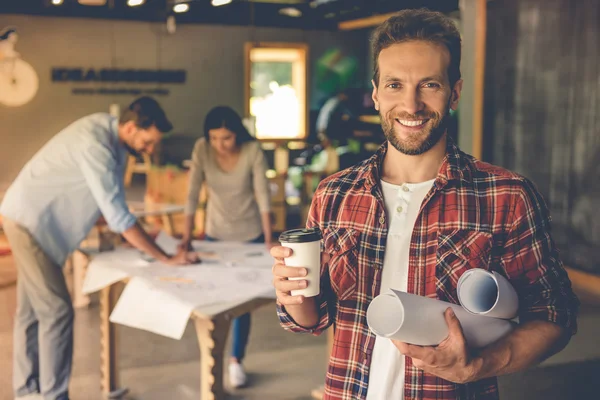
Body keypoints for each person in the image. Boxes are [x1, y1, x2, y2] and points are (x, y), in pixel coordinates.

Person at [270, 8, 579, 400]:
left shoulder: (506, 196)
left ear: (455, 91)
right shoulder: (334, 194)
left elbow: (555, 317)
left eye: (429, 85)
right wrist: (293, 295)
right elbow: (312, 321)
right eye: (395, 85)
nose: (411, 105)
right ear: (377, 94)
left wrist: (480, 365)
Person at [0, 96, 197, 400]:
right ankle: (53, 396)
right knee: (56, 311)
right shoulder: (96, 144)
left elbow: (107, 206)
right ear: (131, 128)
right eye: (147, 141)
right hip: (30, 225)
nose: (150, 149)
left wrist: (133, 238)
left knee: (31, 312)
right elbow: (118, 215)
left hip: (34, 223)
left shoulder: (113, 141)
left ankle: (26, 392)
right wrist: (165, 258)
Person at [180, 105, 272, 388]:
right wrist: (186, 238)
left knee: (242, 304)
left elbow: (262, 196)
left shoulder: (252, 151)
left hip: (250, 235)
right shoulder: (202, 150)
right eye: (214, 138)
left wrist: (269, 239)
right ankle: (212, 362)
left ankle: (236, 361)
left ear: (238, 135)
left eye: (227, 138)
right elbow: (192, 193)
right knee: (216, 300)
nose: (220, 144)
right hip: (215, 235)